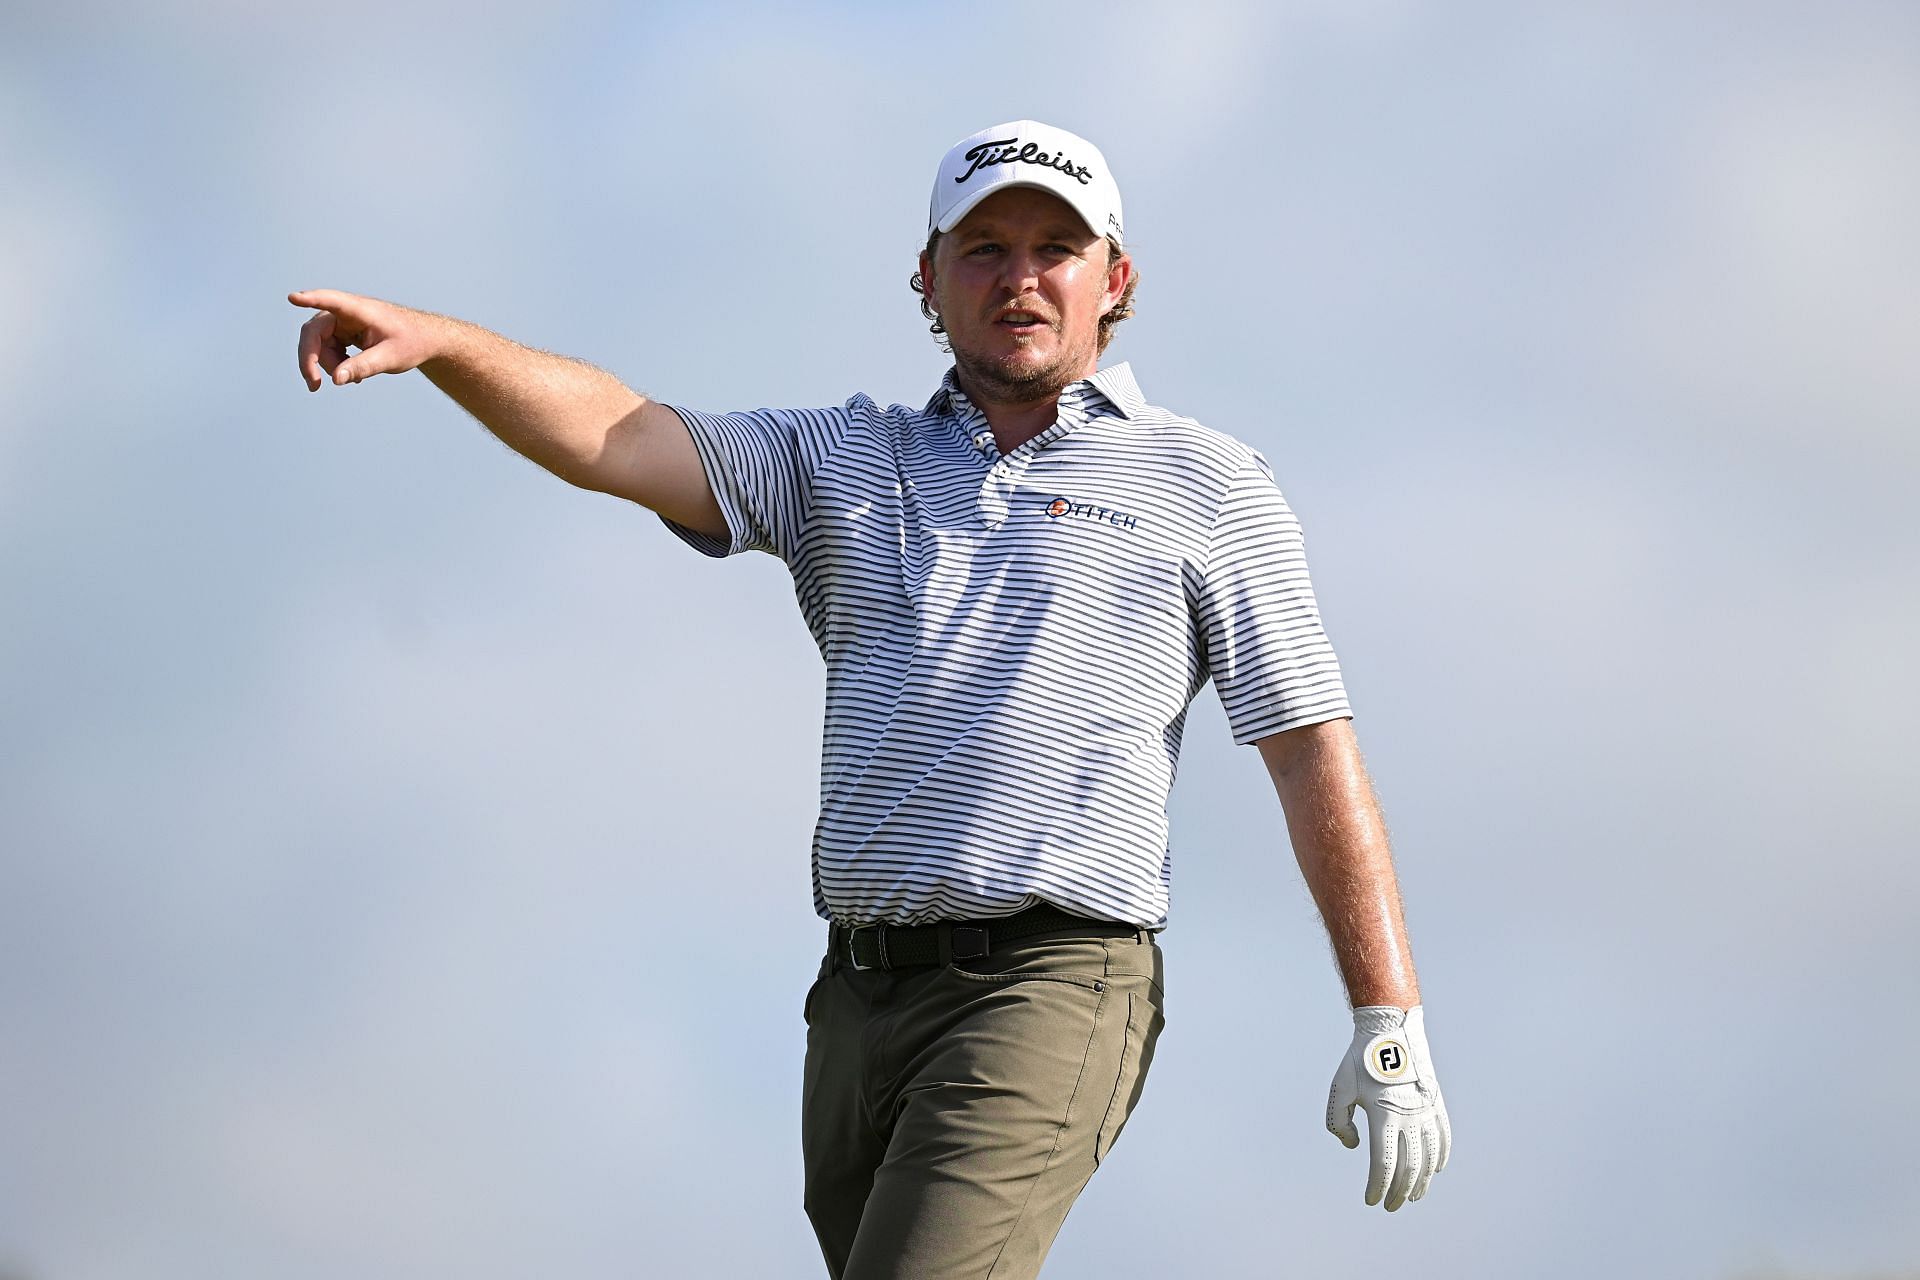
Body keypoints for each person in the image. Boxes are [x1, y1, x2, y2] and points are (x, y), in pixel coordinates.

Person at [288, 118, 1451, 1279]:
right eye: (984, 247)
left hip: (1050, 981)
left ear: (1116, 279)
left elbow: (1307, 747)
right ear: (929, 280)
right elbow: (620, 435)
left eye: (1057, 246)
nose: (1022, 276)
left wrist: (1386, 1018)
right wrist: (443, 344)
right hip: (854, 1002)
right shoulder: (847, 458)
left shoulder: (1208, 481)